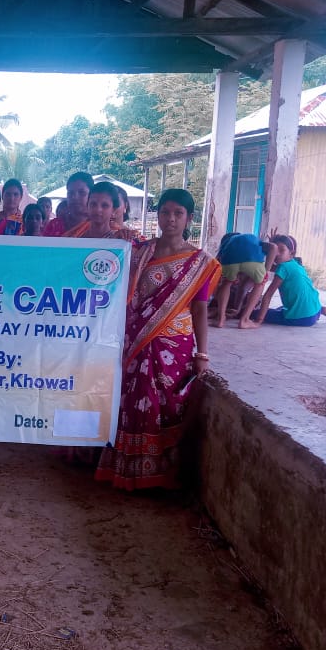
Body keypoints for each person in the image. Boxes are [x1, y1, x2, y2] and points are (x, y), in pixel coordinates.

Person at [96, 188, 221, 491]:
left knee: (165, 407)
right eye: (165, 212)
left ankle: (159, 475)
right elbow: (105, 262)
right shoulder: (140, 251)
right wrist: (119, 232)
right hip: (136, 342)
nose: (171, 219)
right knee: (132, 402)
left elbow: (200, 311)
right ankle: (127, 470)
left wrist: (202, 355)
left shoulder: (199, 263)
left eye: (178, 213)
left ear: (189, 218)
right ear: (158, 215)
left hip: (173, 348)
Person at [251, 235, 326, 327]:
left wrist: (259, 321)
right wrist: (271, 247)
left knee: (254, 312)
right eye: (275, 250)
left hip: (301, 318)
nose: (277, 254)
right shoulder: (296, 264)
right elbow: (269, 267)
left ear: (291, 253)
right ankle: (325, 310)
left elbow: (267, 296)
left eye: (282, 250)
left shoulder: (283, 268)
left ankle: (254, 315)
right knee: (280, 308)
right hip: (315, 311)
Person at [210, 233, 277, 329]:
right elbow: (274, 247)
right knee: (260, 284)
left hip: (229, 261)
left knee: (226, 284)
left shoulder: (228, 244)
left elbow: (216, 264)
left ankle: (220, 320)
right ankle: (244, 320)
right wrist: (266, 271)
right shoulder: (252, 240)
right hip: (253, 261)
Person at [63, 181, 139, 241]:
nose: (98, 209)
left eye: (105, 205)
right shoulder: (74, 238)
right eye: (93, 204)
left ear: (113, 210)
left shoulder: (121, 240)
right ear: (87, 206)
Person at [43, 172, 94, 236]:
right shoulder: (54, 225)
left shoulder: (99, 226)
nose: (75, 197)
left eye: (82, 192)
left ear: (91, 195)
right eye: (70, 193)